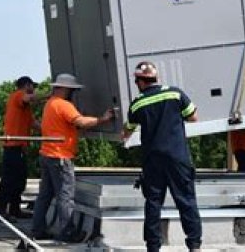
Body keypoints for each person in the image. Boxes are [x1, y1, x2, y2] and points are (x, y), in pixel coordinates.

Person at [122, 61, 202, 252]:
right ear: (156, 78)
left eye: (136, 81)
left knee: (153, 203)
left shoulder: (137, 103)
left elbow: (127, 131)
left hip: (152, 160)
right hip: (177, 157)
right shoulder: (175, 94)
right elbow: (193, 117)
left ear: (141, 81)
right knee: (186, 200)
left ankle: (153, 247)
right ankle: (194, 245)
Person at [31, 73, 113, 242]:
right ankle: (68, 232)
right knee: (65, 196)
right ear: (64, 89)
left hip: (47, 154)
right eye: (71, 90)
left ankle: (37, 229)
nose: (72, 94)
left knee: (44, 196)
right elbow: (80, 122)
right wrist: (102, 119)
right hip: (60, 156)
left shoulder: (50, 104)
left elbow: (64, 126)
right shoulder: (64, 105)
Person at [0, 76, 40, 222]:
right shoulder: (17, 96)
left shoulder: (25, 108)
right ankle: (0, 211)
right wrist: (49, 96)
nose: (34, 90)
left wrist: (51, 131)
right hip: (12, 146)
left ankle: (15, 209)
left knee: (20, 180)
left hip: (19, 147)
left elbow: (33, 123)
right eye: (32, 86)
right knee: (9, 180)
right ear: (26, 85)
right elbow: (28, 98)